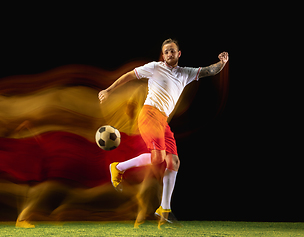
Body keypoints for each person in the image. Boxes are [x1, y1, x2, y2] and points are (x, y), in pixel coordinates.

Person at [98, 38, 228, 225]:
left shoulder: (186, 73)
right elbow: (130, 75)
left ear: (179, 53)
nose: (169, 54)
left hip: (163, 122)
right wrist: (109, 90)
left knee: (173, 161)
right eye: (166, 51)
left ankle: (164, 210)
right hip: (149, 114)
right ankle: (117, 168)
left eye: (172, 51)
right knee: (158, 158)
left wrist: (222, 63)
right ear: (163, 54)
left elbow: (209, 70)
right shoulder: (154, 67)